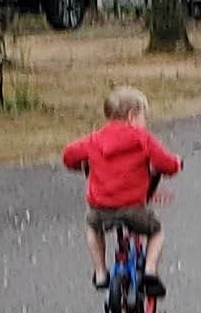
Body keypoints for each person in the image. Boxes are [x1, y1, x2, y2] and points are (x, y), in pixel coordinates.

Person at [61, 83, 182, 288]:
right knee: (156, 232)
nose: (145, 122)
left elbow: (68, 156)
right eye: (144, 117)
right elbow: (164, 164)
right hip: (132, 207)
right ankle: (150, 272)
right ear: (132, 116)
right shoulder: (142, 139)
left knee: (92, 227)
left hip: (100, 209)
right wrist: (176, 164)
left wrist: (81, 166)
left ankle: (100, 272)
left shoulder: (94, 140)